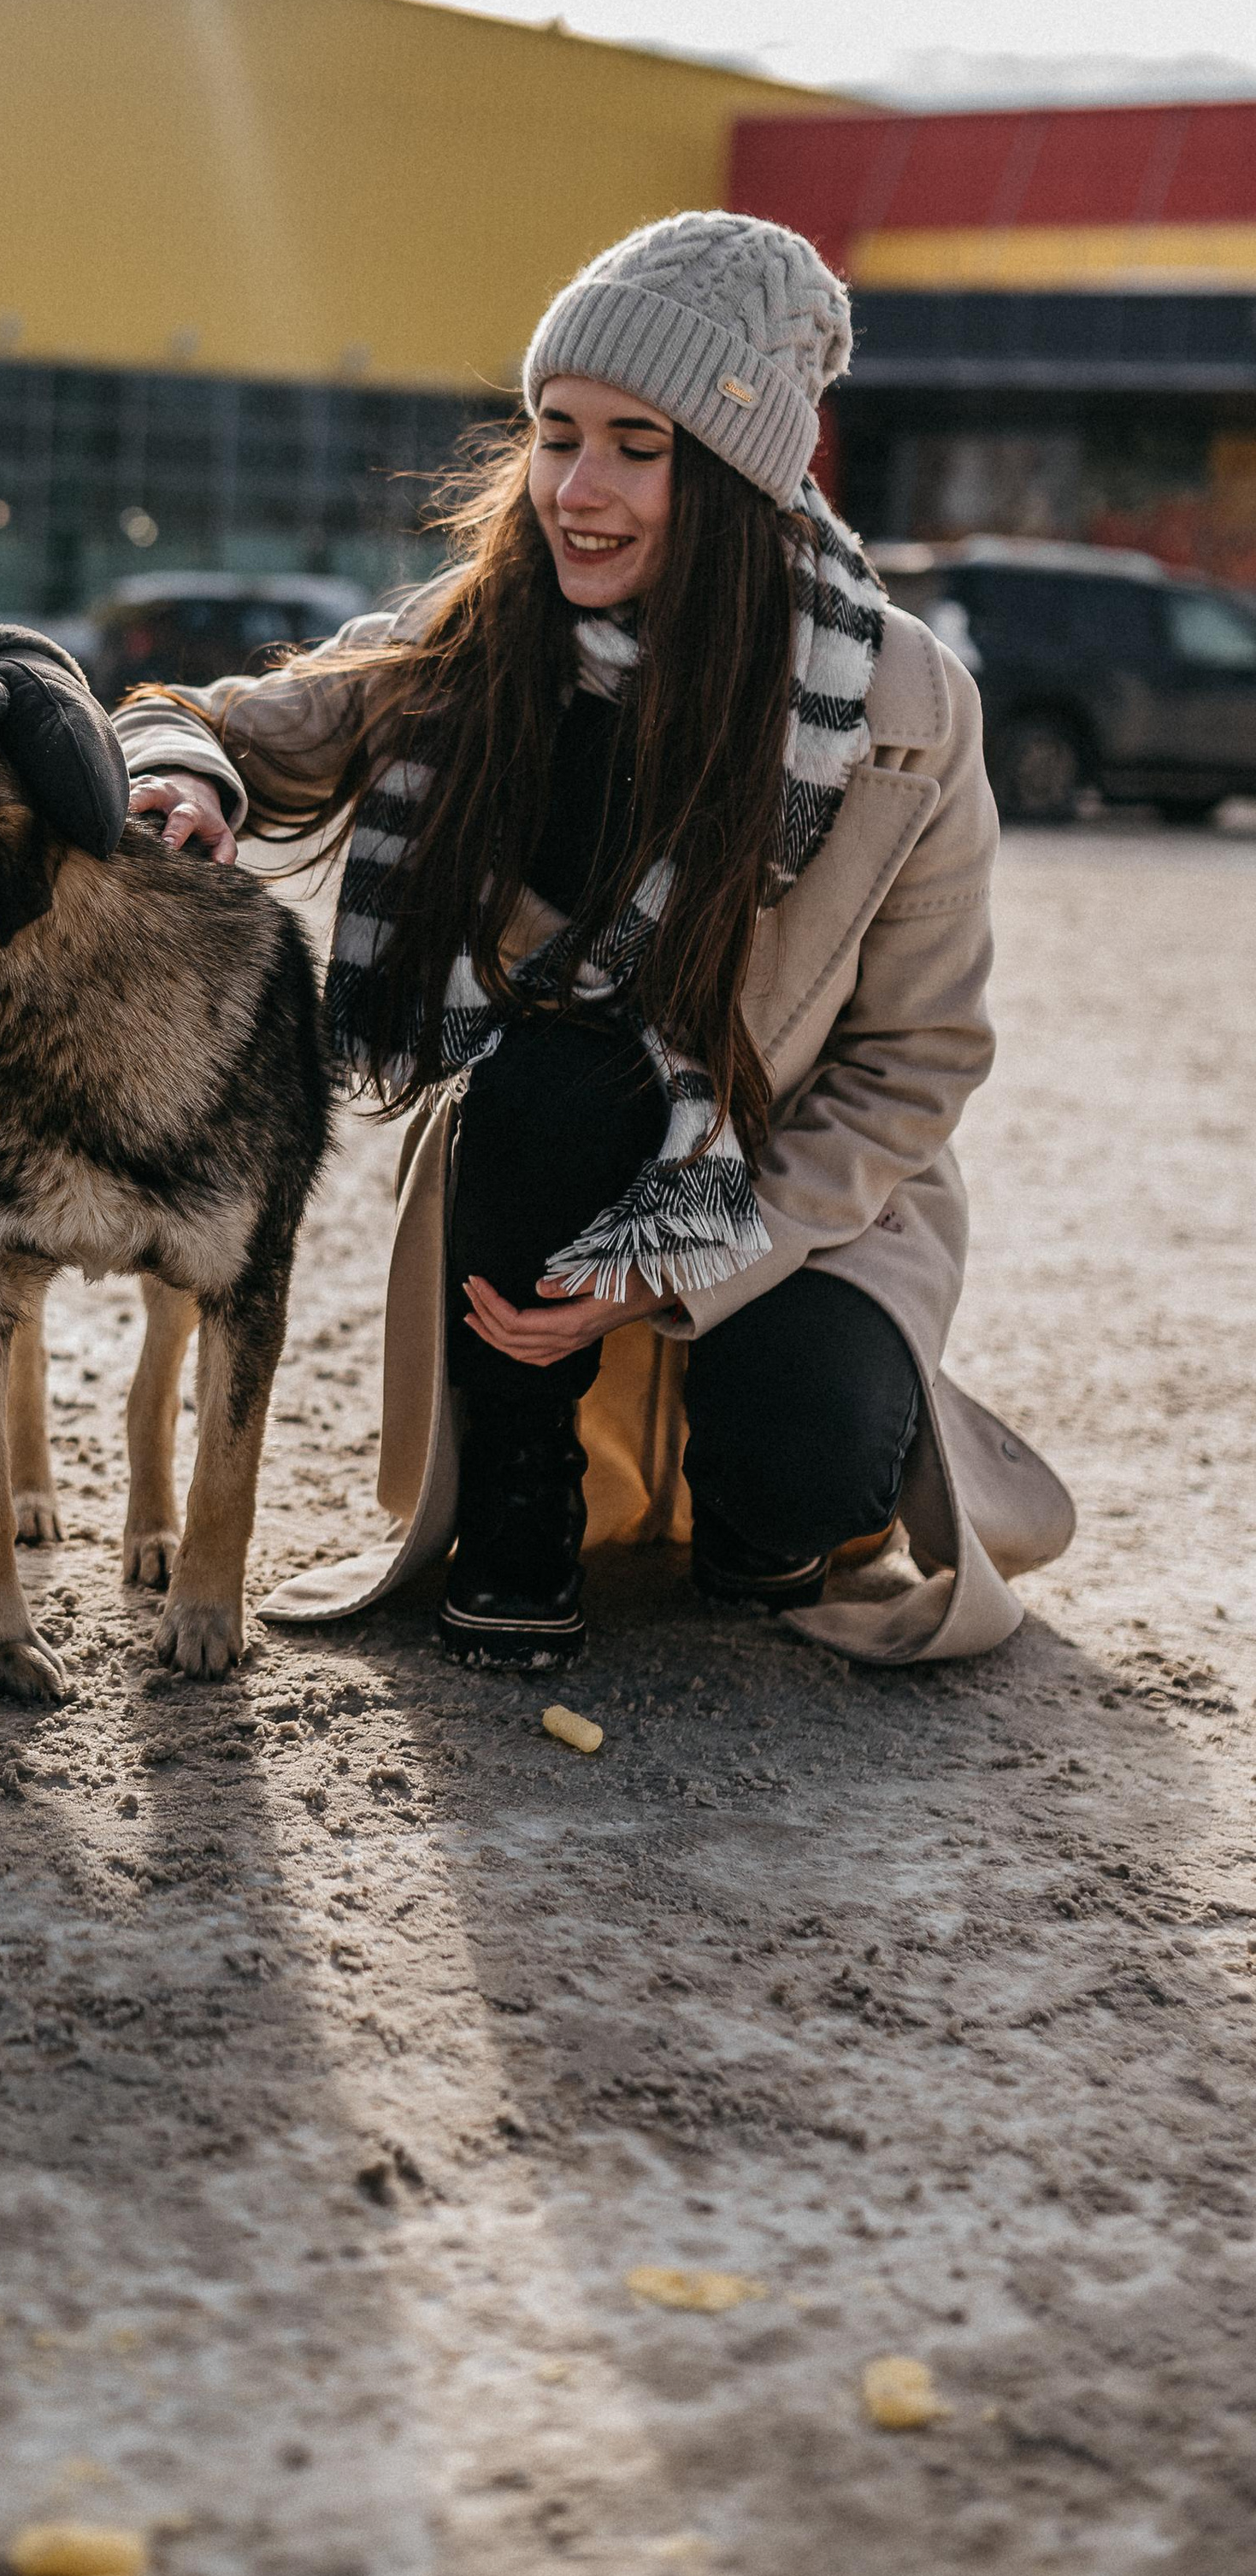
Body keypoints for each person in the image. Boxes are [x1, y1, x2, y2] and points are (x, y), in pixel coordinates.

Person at [118, 213, 1072, 1671]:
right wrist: (184, 781)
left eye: (639, 445)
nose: (578, 490)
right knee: (554, 1071)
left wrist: (668, 1269)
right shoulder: (478, 637)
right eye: (556, 435)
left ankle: (773, 1511)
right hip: (543, 1154)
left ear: (739, 476)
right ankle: (516, 1512)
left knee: (797, 1471)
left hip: (795, 1189)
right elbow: (220, 726)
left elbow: (914, 1063)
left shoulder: (901, 705)